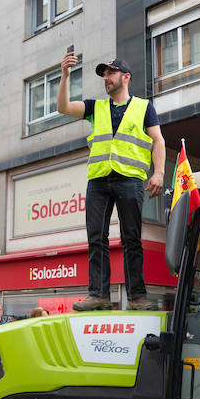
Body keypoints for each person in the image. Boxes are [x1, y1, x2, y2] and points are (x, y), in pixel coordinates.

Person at [56, 52, 165, 312]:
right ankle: (98, 294)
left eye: (111, 73)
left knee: (131, 239)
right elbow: (63, 107)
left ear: (126, 77)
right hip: (99, 180)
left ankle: (138, 297)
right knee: (96, 238)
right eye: (104, 74)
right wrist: (64, 75)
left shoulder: (144, 107)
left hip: (129, 179)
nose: (106, 78)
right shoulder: (96, 107)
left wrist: (159, 172)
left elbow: (158, 140)